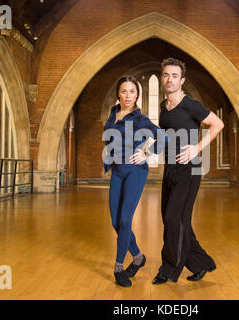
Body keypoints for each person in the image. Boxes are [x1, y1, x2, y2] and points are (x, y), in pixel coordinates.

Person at [152, 58, 224, 285]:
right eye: (166, 75)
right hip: (170, 168)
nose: (169, 79)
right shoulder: (164, 107)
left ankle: (168, 269)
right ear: (162, 78)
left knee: (175, 218)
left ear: (182, 81)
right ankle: (201, 263)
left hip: (189, 170)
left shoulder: (190, 104)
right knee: (173, 218)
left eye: (174, 76)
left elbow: (217, 124)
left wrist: (196, 147)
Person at [103, 75, 166, 288]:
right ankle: (138, 257)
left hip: (135, 172)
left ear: (137, 95)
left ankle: (119, 268)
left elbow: (163, 137)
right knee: (115, 222)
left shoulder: (140, 119)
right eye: (124, 91)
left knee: (124, 221)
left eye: (132, 91)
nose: (128, 95)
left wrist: (146, 153)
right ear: (118, 94)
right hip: (117, 171)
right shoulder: (113, 114)